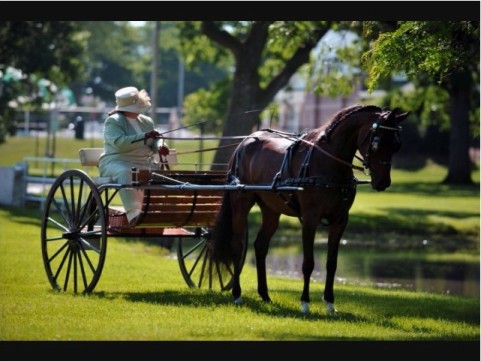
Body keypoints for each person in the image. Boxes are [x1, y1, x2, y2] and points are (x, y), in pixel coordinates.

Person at [99, 86, 168, 226]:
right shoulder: (113, 121)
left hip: (144, 162)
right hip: (116, 162)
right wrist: (145, 136)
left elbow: (154, 140)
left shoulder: (146, 121)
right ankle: (134, 213)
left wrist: (160, 146)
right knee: (126, 171)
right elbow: (119, 143)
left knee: (161, 175)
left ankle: (158, 211)